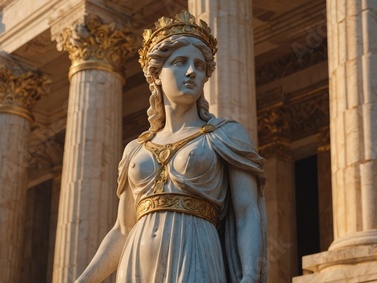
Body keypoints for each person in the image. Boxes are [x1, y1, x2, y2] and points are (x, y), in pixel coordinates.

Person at [75, 10, 267, 283]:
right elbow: (122, 229)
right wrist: (83, 280)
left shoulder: (224, 135)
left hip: (196, 251)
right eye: (180, 62)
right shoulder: (136, 148)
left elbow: (247, 212)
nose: (191, 72)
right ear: (156, 74)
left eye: (199, 66)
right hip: (136, 263)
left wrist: (249, 274)